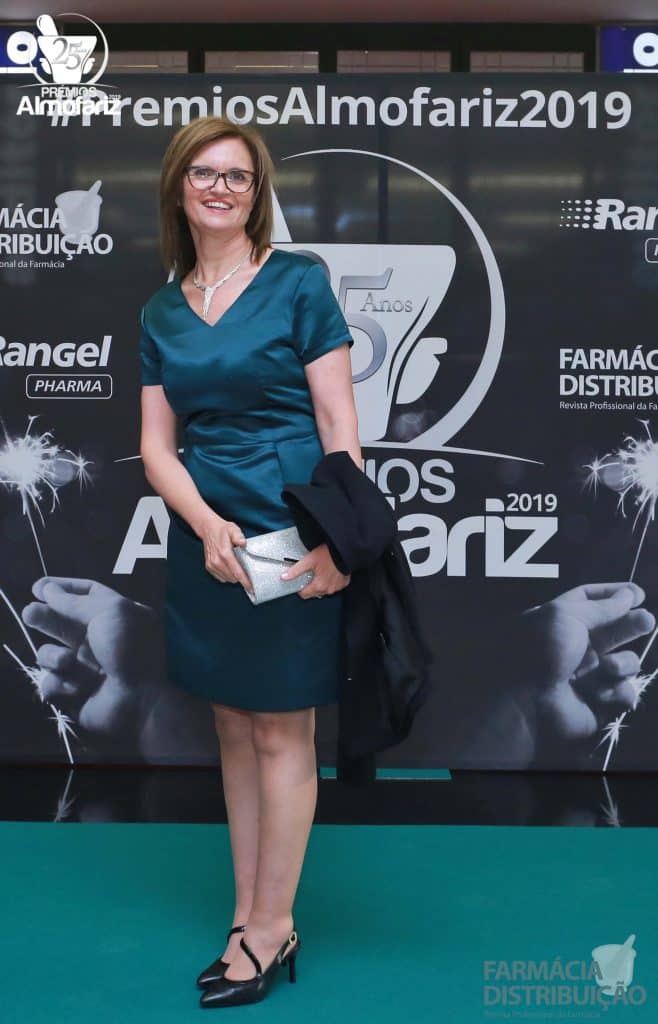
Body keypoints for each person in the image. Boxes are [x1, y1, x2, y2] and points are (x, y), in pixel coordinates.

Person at [138, 115, 360, 1008]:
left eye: (237, 175)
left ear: (258, 192)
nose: (220, 187)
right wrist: (203, 525)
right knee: (233, 724)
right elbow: (157, 448)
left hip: (294, 527)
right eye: (204, 172)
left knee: (281, 730)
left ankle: (274, 928)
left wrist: (339, 536)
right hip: (211, 535)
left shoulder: (300, 281)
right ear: (179, 188)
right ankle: (246, 915)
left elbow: (338, 422)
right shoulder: (160, 310)